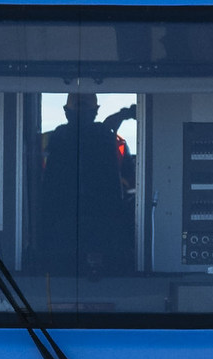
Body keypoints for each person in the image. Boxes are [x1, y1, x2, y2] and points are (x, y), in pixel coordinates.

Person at [30, 89, 139, 283]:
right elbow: (130, 180)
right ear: (96, 110)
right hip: (104, 229)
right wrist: (123, 115)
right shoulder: (111, 140)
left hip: (59, 230)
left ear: (65, 111)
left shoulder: (48, 141)